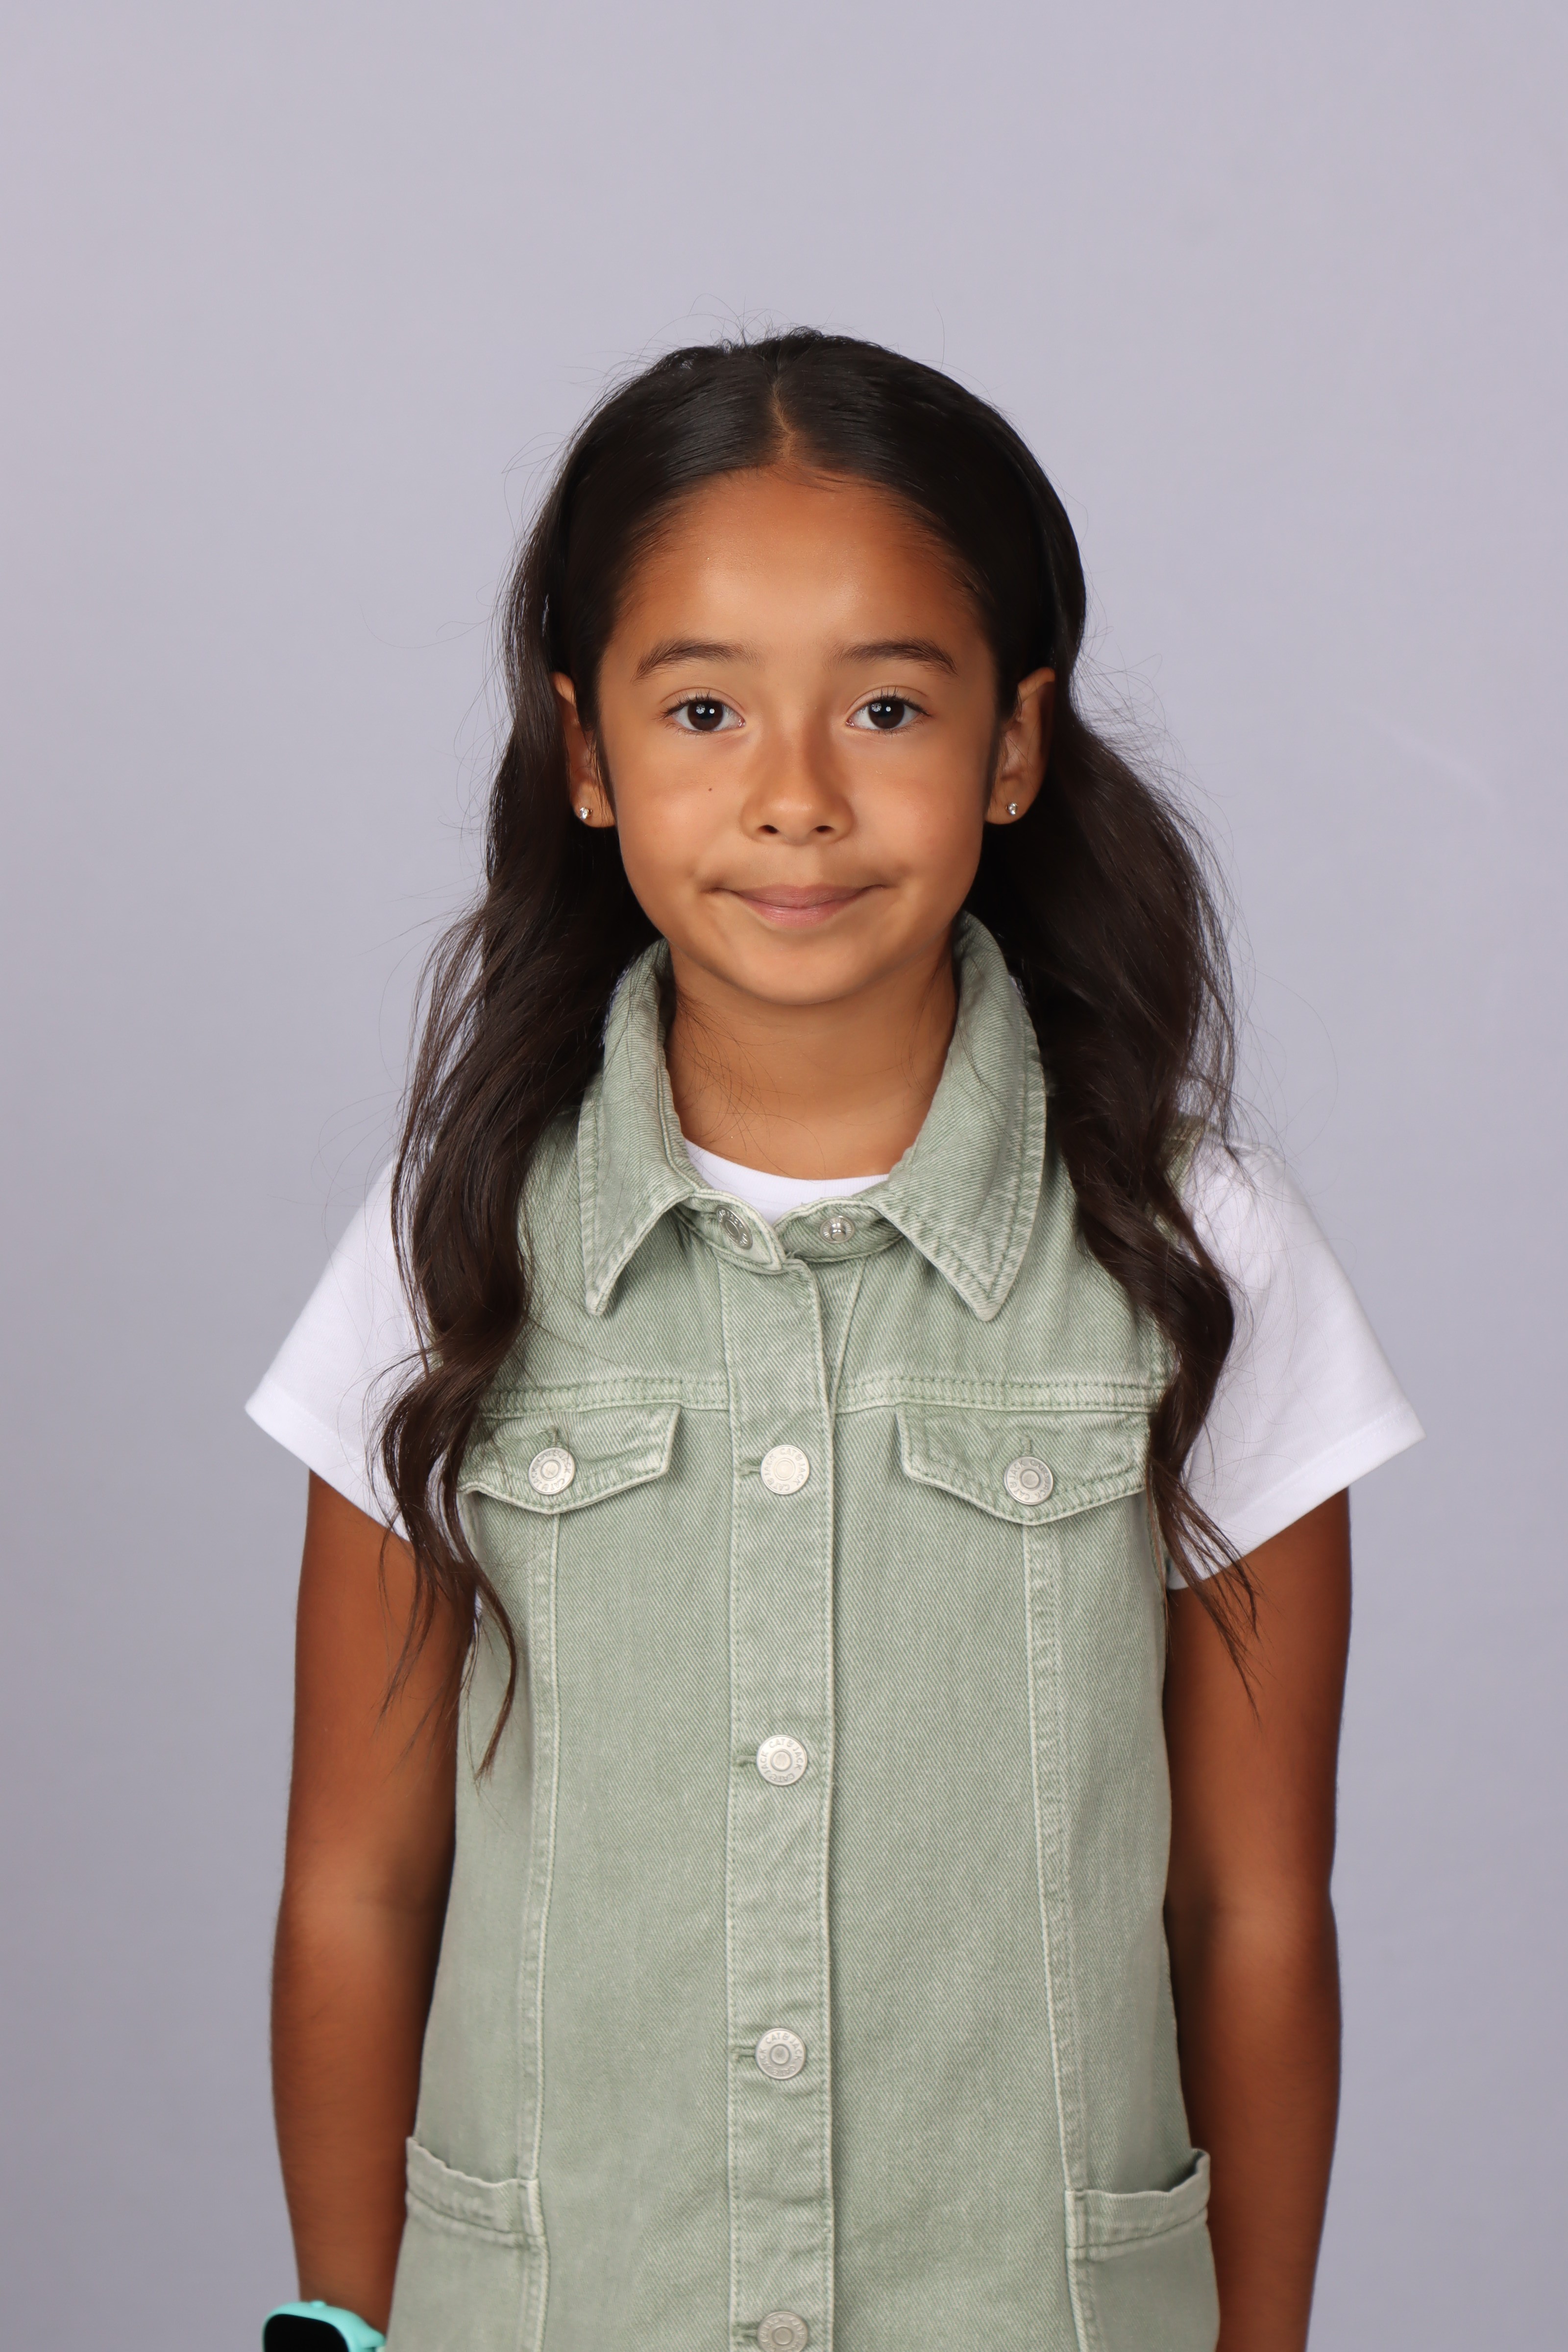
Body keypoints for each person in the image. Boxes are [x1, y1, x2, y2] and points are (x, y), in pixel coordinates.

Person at [248, 332, 1421, 2352]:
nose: (794, 797)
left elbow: (1248, 1910)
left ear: (1011, 744)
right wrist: (341, 2333)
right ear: (588, 753)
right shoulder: (455, 1237)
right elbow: (357, 1883)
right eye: (702, 709)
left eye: (886, 706)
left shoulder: (1192, 1250)